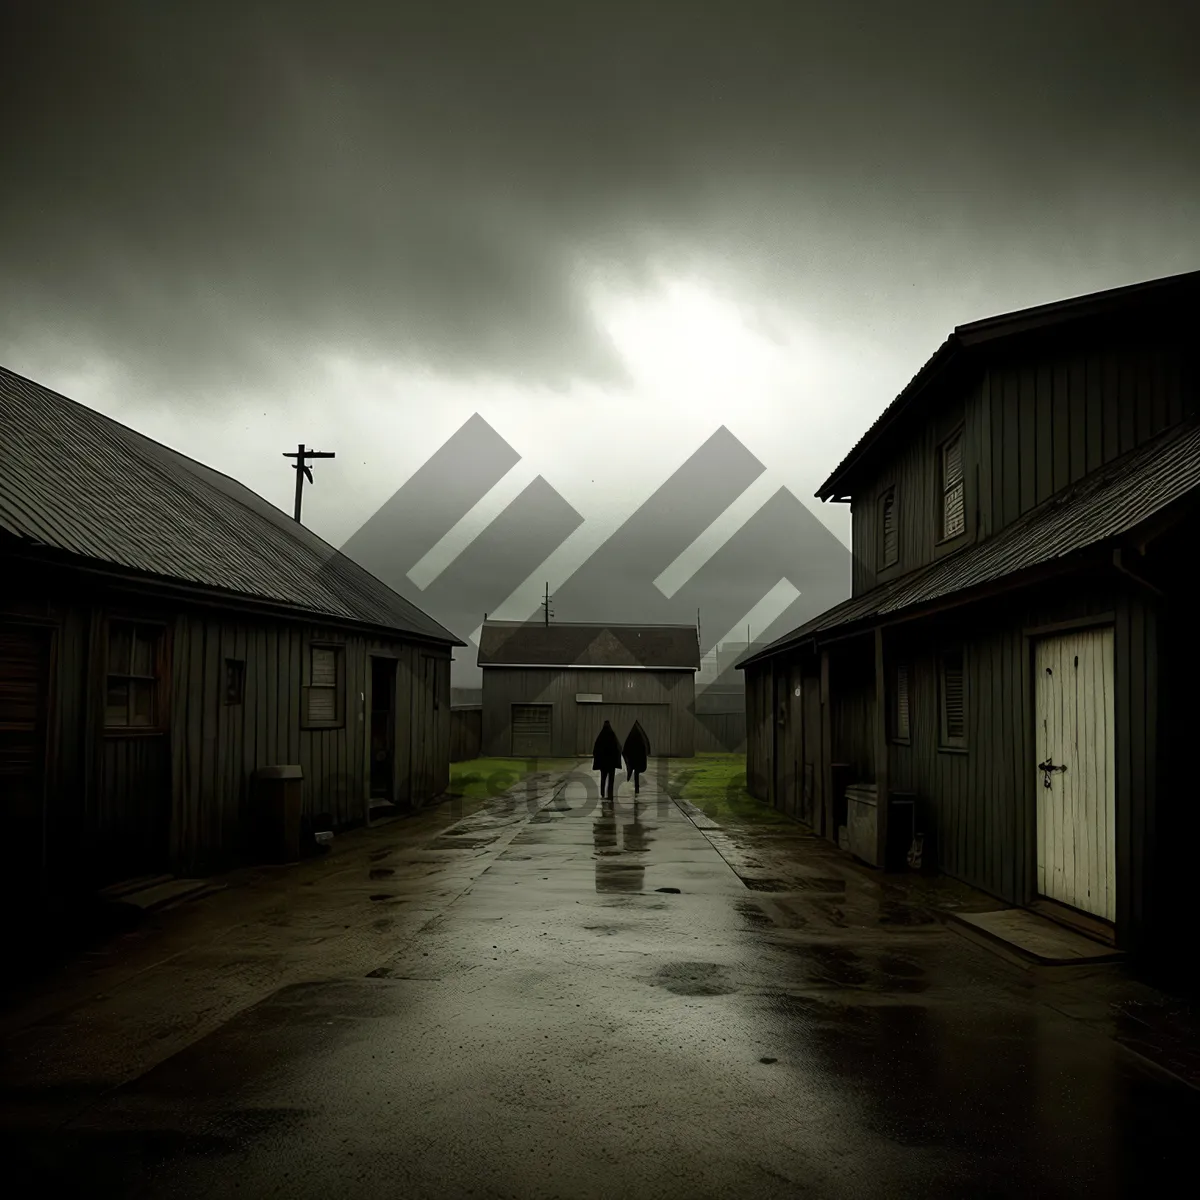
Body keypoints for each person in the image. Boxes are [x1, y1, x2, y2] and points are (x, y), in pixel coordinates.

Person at [592, 720, 621, 801]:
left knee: (603, 779)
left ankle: (602, 793)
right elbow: (618, 749)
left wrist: (598, 759)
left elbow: (595, 750)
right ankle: (610, 794)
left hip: (603, 763)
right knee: (611, 780)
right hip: (611, 763)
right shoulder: (612, 736)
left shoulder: (600, 737)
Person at [622, 720, 650, 796]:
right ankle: (636, 788)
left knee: (635, 773)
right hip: (638, 759)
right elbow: (645, 748)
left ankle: (636, 787)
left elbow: (625, 749)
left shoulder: (630, 737)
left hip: (632, 759)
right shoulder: (641, 738)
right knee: (636, 773)